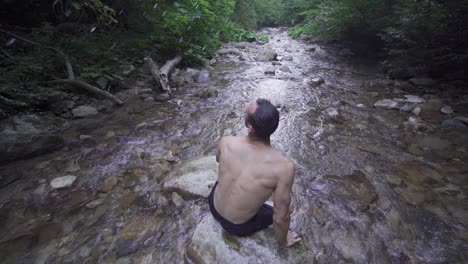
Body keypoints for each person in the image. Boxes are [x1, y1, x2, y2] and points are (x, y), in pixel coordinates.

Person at [208, 98, 301, 248]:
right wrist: (283, 241)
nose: (245, 108)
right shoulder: (284, 168)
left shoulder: (226, 141)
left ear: (250, 127)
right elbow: (280, 217)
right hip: (237, 226)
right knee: (287, 207)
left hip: (213, 204)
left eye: (246, 111)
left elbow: (219, 161)